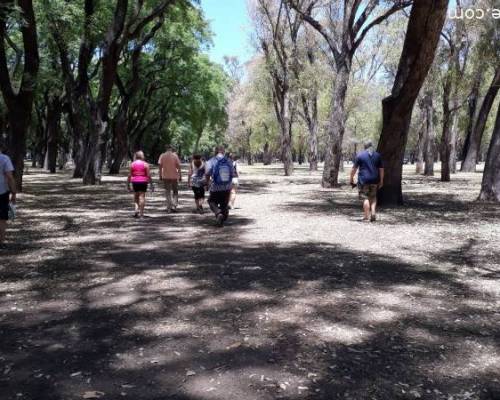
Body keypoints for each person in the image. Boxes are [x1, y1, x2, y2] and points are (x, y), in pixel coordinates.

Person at [350, 140, 384, 222]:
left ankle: (366, 216)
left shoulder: (360, 155)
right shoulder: (378, 155)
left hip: (363, 180)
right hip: (375, 179)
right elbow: (381, 169)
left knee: (365, 197)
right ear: (371, 146)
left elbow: (354, 169)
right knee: (373, 197)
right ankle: (373, 212)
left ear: (365, 146)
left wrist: (351, 178)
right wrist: (381, 180)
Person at [205, 145, 233, 227]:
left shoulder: (211, 161)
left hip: (216, 187)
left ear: (215, 151)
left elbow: (207, 173)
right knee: (224, 203)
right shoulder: (228, 161)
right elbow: (232, 173)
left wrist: (207, 183)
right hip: (227, 187)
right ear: (223, 151)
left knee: (211, 201)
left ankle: (218, 213)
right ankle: (223, 216)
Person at [0, 139, 16, 245]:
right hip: (2, 192)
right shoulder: (4, 158)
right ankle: (1, 242)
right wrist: (14, 192)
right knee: (2, 218)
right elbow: (10, 177)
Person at [127, 151, 151, 218]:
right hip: (143, 182)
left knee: (136, 196)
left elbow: (129, 175)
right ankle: (141, 214)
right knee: (142, 197)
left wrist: (128, 184)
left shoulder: (132, 164)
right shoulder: (145, 164)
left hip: (135, 182)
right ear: (141, 156)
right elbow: (148, 175)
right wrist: (151, 184)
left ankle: (136, 210)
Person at [158, 145, 181, 213]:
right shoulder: (175, 155)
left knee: (167, 192)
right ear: (171, 149)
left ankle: (169, 208)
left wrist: (160, 175)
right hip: (174, 176)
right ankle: (174, 206)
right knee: (175, 191)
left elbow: (160, 166)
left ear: (166, 149)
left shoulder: (162, 155)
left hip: (165, 176)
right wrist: (180, 176)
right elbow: (178, 166)